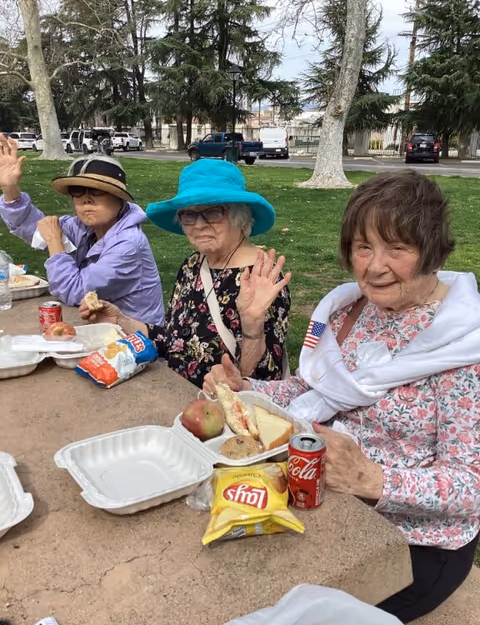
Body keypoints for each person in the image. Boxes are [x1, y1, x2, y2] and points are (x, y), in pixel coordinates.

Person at [204, 170, 480, 624]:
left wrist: (371, 479)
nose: (374, 266)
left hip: (414, 543)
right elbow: (316, 391)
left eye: (398, 248)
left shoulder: (462, 344)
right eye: (364, 246)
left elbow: (469, 485)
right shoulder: (351, 308)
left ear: (431, 250)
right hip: (330, 503)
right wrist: (247, 391)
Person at [80, 158, 291, 388]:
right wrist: (120, 320)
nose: (198, 225)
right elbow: (174, 340)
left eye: (213, 212)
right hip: (175, 398)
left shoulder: (262, 278)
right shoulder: (193, 265)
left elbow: (262, 380)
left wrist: (252, 328)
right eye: (188, 215)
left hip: (219, 410)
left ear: (240, 217)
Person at [0, 134, 165, 324]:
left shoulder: (128, 243)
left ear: (119, 199)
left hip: (137, 341)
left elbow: (74, 291)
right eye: (77, 190)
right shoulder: (83, 227)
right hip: (100, 328)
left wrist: (55, 243)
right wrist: (10, 189)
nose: (86, 198)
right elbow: (33, 228)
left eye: (97, 190)